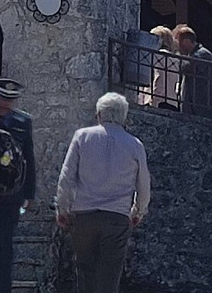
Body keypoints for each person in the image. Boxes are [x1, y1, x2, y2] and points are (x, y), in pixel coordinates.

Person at [55, 92, 151, 293]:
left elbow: (66, 176)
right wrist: (137, 212)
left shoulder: (82, 137)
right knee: (109, 280)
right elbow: (143, 184)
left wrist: (62, 209)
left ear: (98, 114)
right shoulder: (135, 145)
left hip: (84, 216)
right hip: (116, 217)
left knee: (86, 276)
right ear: (124, 116)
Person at [0, 78, 36, 293]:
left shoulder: (23, 121)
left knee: (5, 242)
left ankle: (2, 288)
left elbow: (28, 157)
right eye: (2, 98)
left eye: (11, 99)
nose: (6, 103)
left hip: (12, 191)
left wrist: (29, 192)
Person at [174, 25, 212, 118]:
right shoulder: (190, 55)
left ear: (186, 41)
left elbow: (188, 67)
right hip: (190, 105)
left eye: (178, 41)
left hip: (200, 106)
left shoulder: (203, 54)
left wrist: (176, 56)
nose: (178, 45)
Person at [137, 26, 181, 110]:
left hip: (159, 101)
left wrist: (153, 101)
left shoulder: (158, 55)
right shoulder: (175, 59)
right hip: (172, 101)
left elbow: (159, 79)